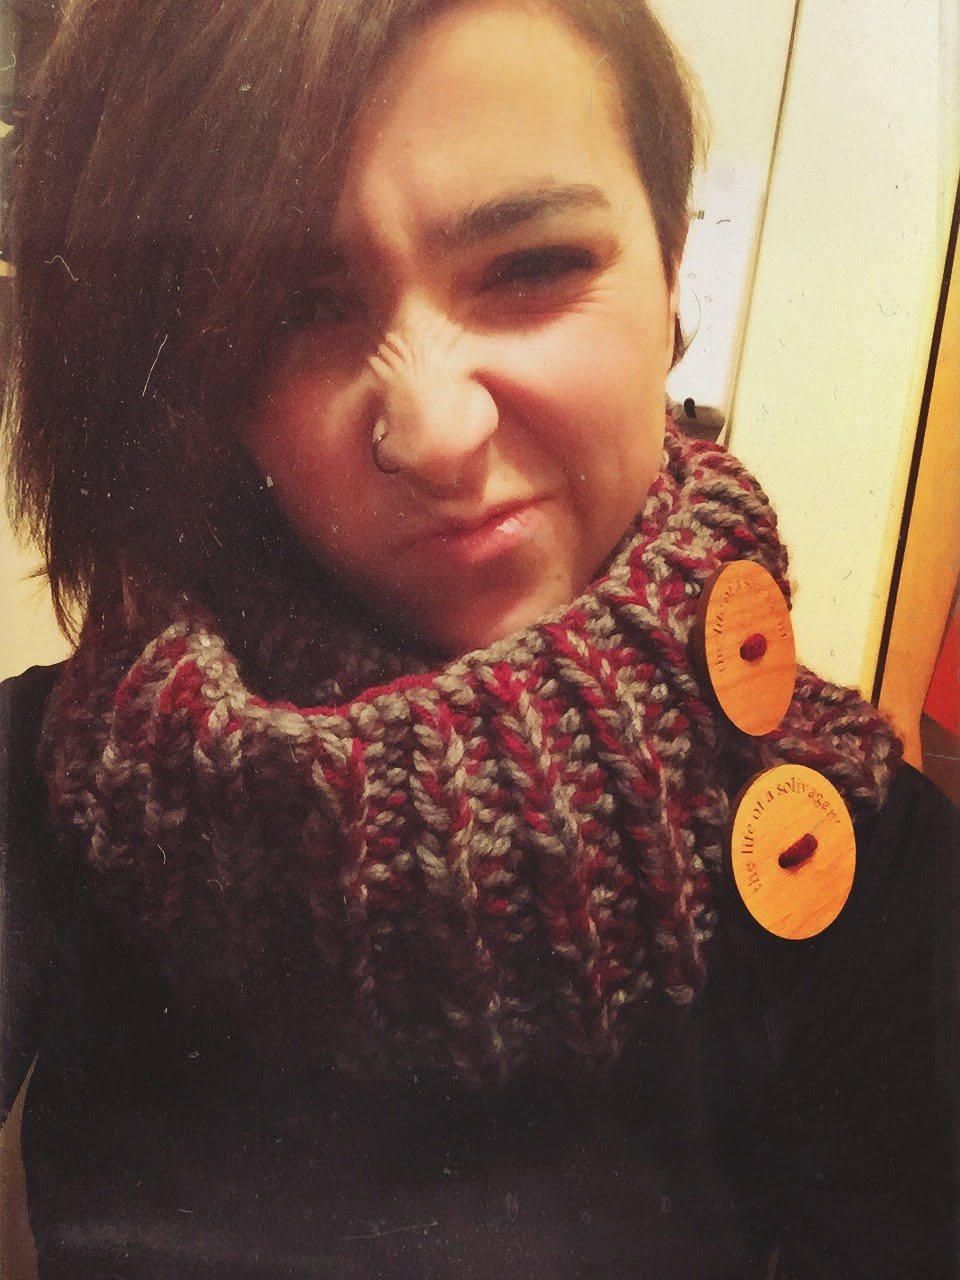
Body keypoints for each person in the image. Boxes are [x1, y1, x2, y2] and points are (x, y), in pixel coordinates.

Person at [1, 1, 956, 1277]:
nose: (436, 433)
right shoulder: (51, 781)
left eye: (530, 266)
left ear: (675, 268)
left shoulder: (873, 877)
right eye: (296, 307)